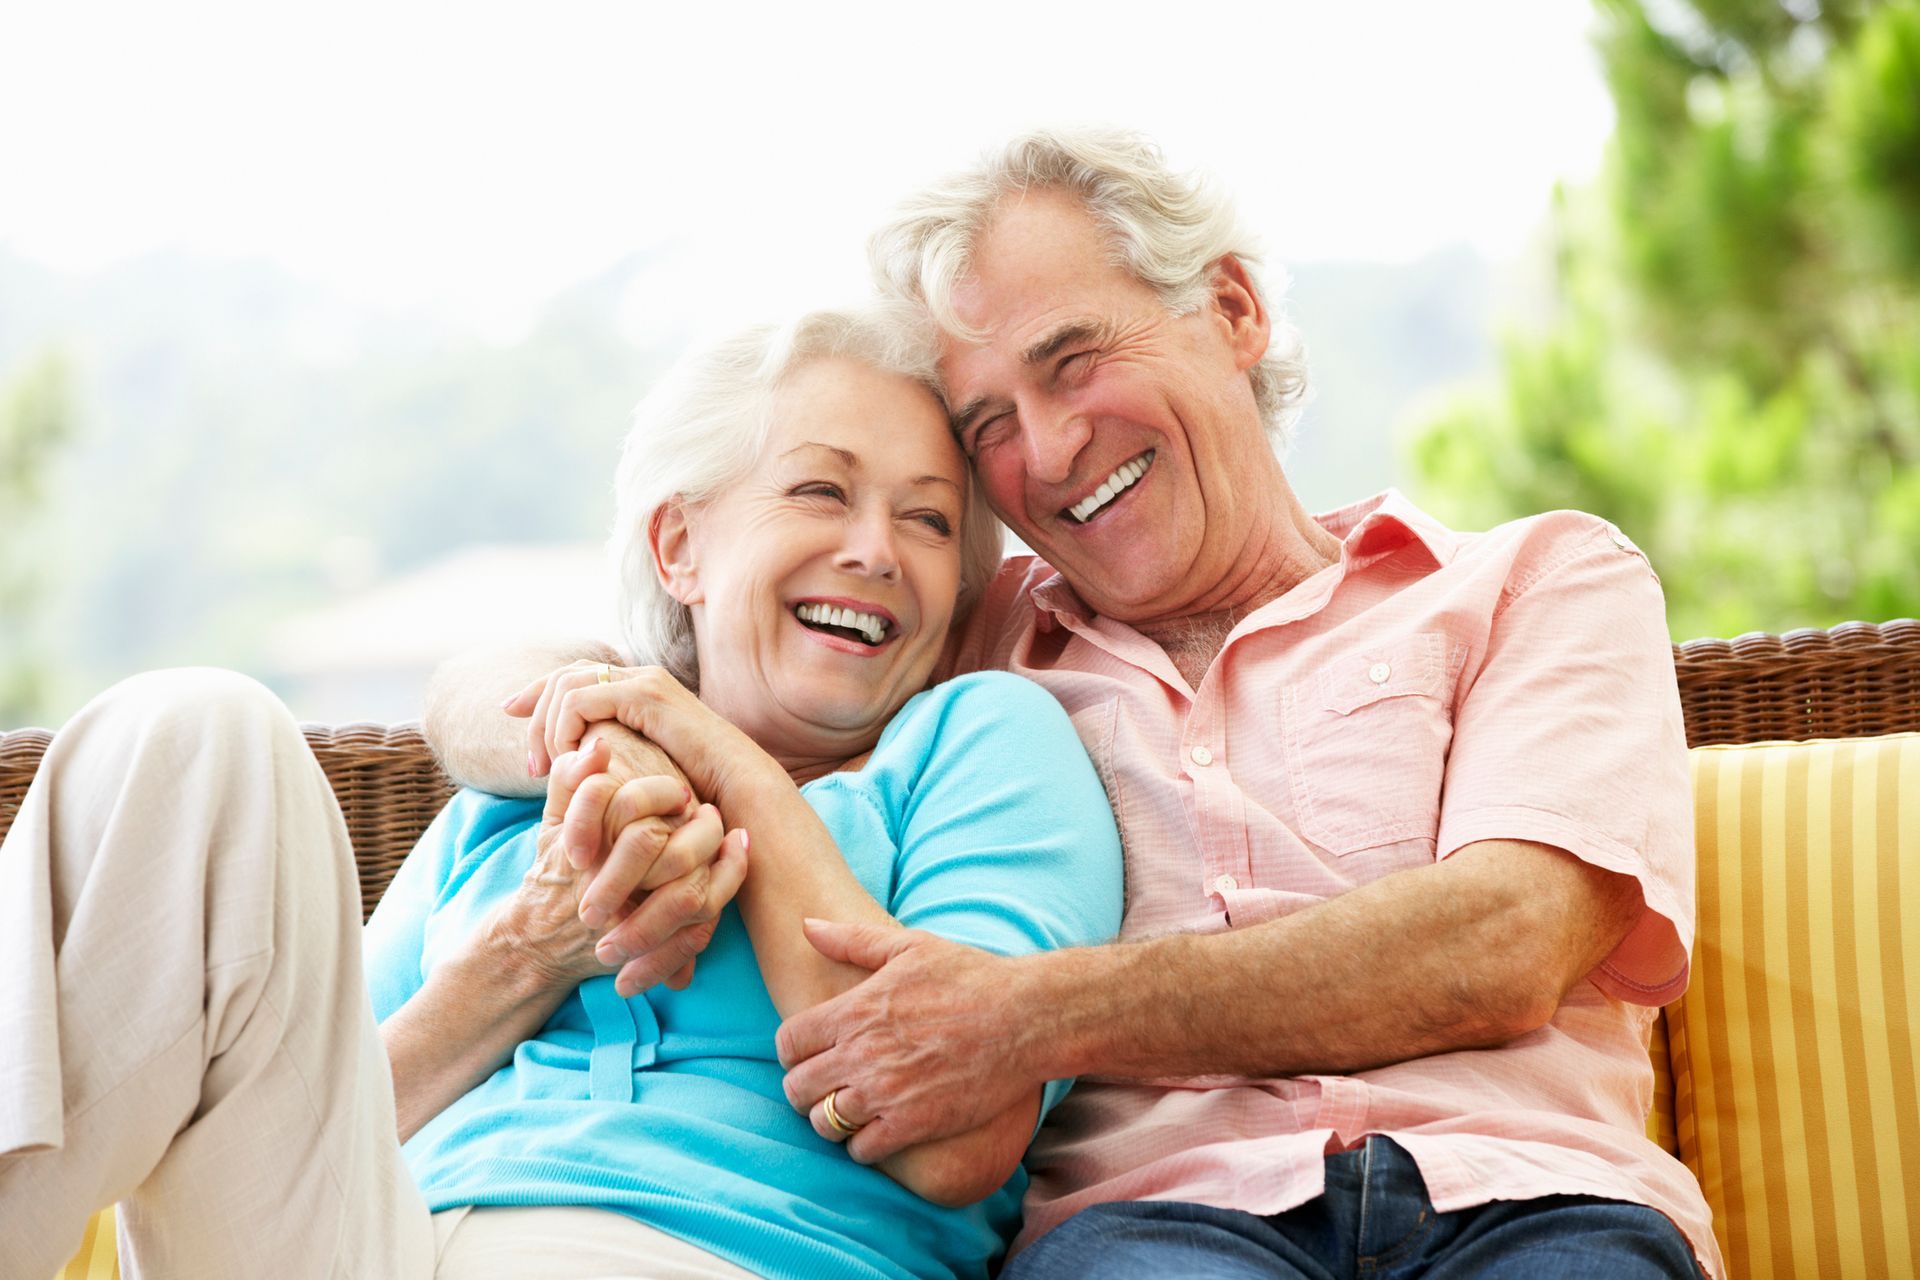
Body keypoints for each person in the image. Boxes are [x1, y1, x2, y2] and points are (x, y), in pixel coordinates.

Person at [433, 130, 1722, 1279]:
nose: (1047, 452)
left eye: (1074, 361)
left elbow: (1503, 941)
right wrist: (595, 728)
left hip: (1528, 1199)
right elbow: (604, 659)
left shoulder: (1537, 580)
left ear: (1229, 309)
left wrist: (1025, 1014)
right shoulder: (976, 635)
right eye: (991, 419)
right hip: (1160, 1227)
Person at [0, 306, 1123, 1280]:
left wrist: (718, 765)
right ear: (680, 545)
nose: (877, 549)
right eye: (822, 490)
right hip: (370, 1241)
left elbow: (952, 1139)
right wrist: (532, 949)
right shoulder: (533, 788)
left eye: (928, 520)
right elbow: (311, 1122)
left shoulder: (979, 742)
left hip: (717, 1251)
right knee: (192, 729)